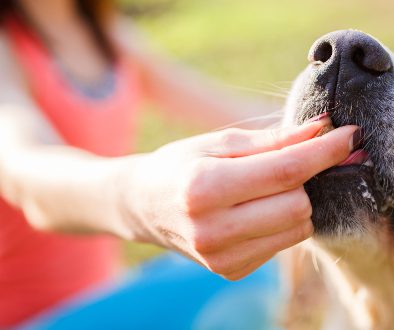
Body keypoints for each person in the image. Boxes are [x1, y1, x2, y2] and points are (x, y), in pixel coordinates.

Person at [0, 0, 359, 327]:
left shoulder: (107, 36)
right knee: (250, 278)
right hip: (27, 318)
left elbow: (233, 113)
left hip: (102, 297)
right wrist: (138, 200)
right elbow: (29, 176)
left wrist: (336, 122)